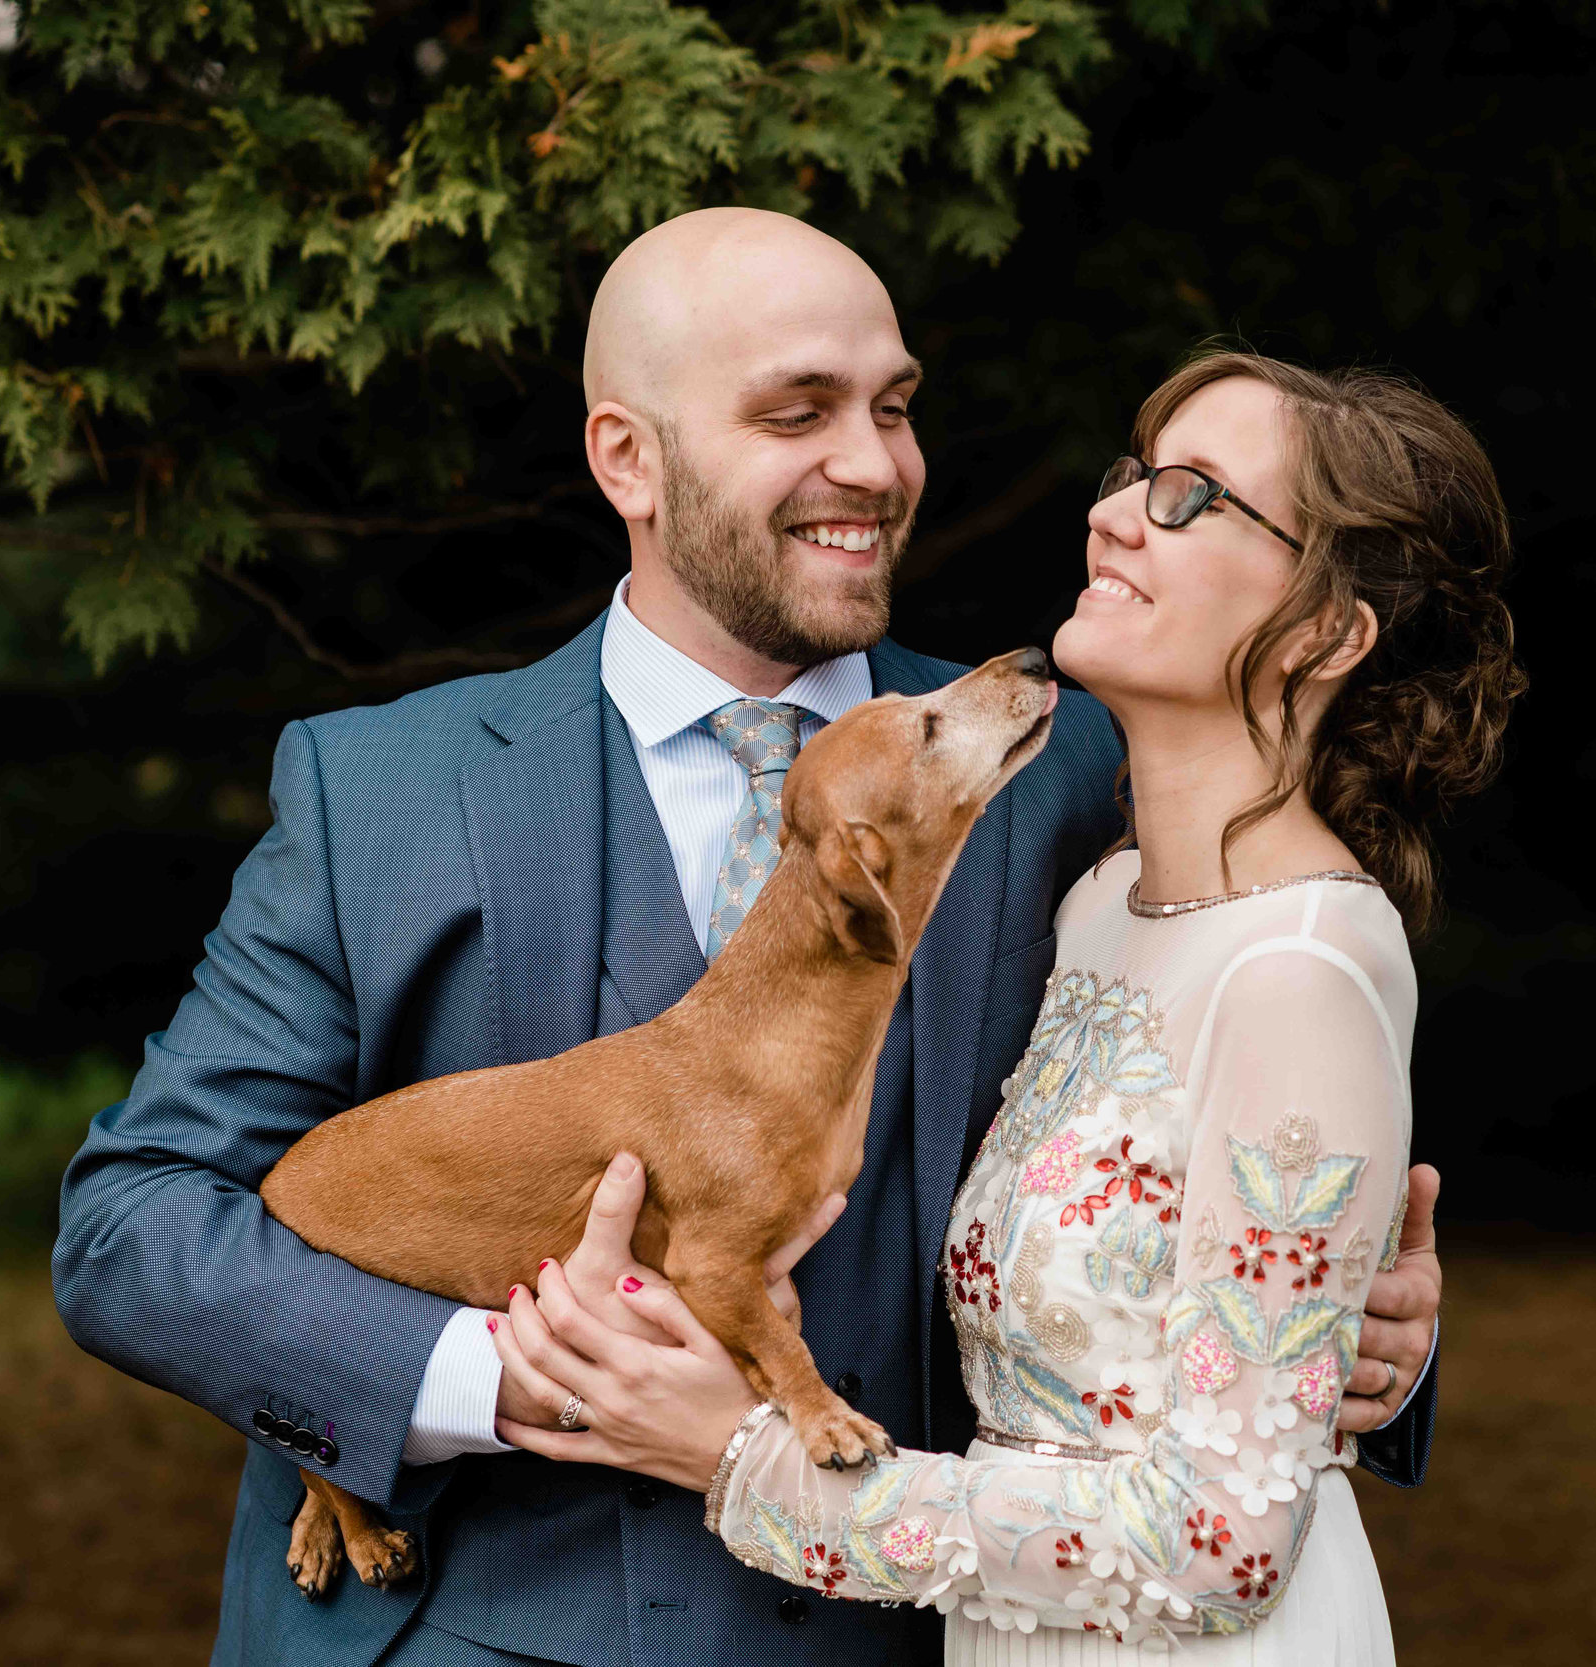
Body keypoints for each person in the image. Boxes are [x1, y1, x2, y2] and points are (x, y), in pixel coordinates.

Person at [52, 209, 1447, 1667]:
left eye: (894, 408)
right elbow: (133, 1224)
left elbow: (1262, 1123)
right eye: (798, 412)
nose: (874, 464)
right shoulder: (379, 794)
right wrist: (491, 1376)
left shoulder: (1067, 778)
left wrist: (1359, 1323)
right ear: (626, 460)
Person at [482, 342, 1517, 1657]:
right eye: (1134, 474)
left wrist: (745, 1462)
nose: (1113, 513)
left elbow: (1220, 1547)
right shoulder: (1096, 899)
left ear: (1325, 634)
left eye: (1194, 496)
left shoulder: (1297, 969)